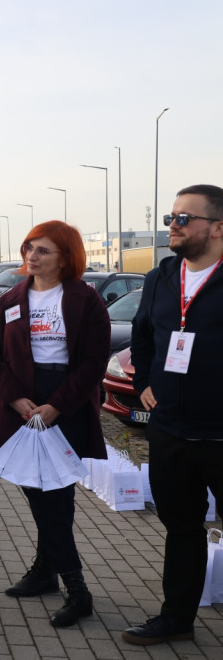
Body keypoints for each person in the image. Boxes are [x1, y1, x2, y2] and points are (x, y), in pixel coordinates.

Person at [0, 221, 110, 628]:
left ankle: (76, 590)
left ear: (66, 258)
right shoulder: (11, 299)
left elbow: (93, 361)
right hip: (21, 403)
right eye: (29, 248)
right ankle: (45, 572)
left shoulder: (85, 301)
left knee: (55, 499)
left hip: (63, 404)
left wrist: (57, 405)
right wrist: (15, 399)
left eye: (43, 251)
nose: (31, 257)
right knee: (41, 493)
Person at [123, 184, 223, 645]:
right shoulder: (161, 276)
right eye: (171, 217)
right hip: (170, 432)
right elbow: (142, 335)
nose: (173, 227)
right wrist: (144, 382)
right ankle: (176, 619)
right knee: (181, 529)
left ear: (217, 228)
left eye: (184, 218)